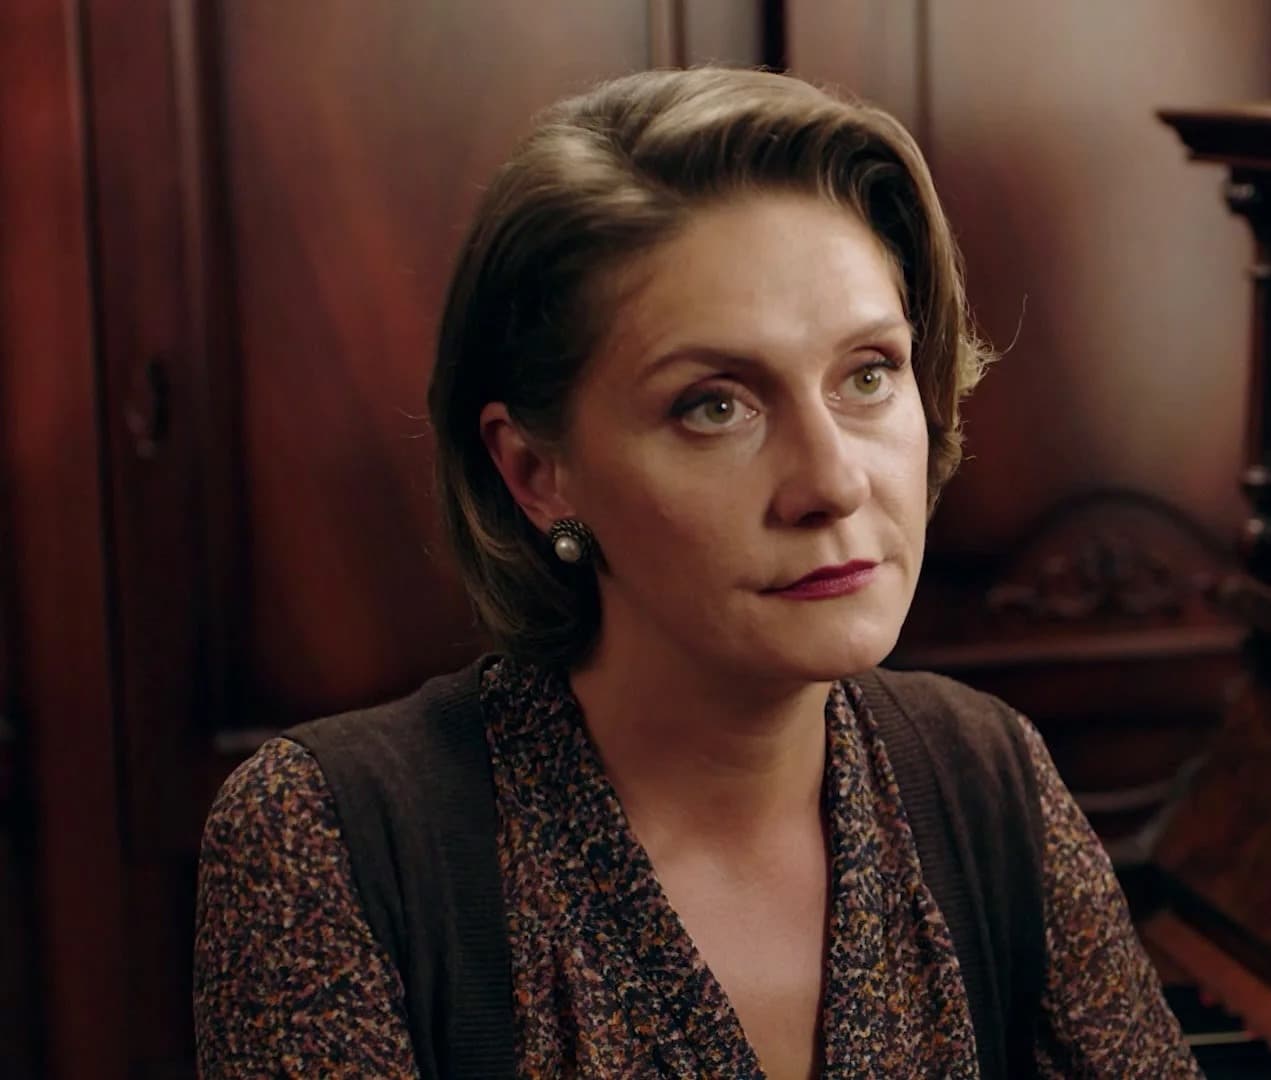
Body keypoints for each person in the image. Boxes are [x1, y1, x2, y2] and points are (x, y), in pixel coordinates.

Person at [192, 67, 1201, 1079]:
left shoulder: (988, 776)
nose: (832, 482)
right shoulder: (326, 838)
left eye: (868, 374)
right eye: (715, 405)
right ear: (537, 473)